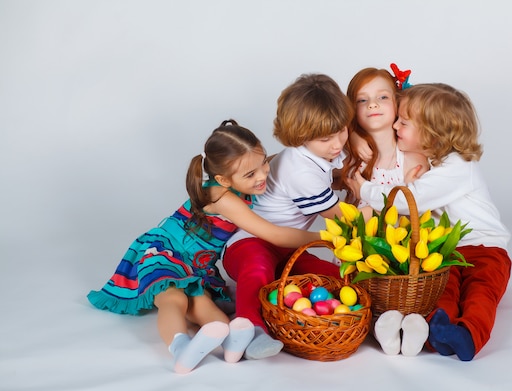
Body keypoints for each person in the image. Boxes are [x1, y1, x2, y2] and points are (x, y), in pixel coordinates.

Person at [87, 120, 321, 373]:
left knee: (209, 311)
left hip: (198, 264)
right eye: (251, 174)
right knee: (173, 298)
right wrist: (326, 238)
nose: (263, 174)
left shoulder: (242, 176)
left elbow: (283, 161)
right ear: (223, 179)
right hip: (165, 252)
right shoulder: (222, 197)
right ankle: (179, 347)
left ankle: (231, 345)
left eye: (263, 162)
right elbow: (274, 234)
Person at [345, 83, 512, 361]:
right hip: (449, 251)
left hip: (486, 250)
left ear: (432, 134)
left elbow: (409, 199)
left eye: (404, 122)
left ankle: (469, 334)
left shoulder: (459, 167)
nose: (396, 124)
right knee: (441, 291)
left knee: (481, 294)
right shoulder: (433, 164)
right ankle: (438, 331)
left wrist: (364, 190)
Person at [223, 74, 369, 360]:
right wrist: (367, 207)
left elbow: (332, 177)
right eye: (326, 138)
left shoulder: (319, 152)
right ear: (301, 136)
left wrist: (351, 175)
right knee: (257, 268)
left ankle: (332, 318)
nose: (337, 144)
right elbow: (337, 215)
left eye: (341, 130)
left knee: (330, 278)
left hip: (290, 247)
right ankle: (250, 328)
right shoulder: (300, 169)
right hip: (251, 242)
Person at [339, 67, 429, 207]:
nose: (372, 104)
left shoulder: (413, 160)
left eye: (383, 97)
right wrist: (352, 135)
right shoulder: (347, 155)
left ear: (398, 102)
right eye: (362, 100)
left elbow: (419, 210)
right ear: (352, 109)